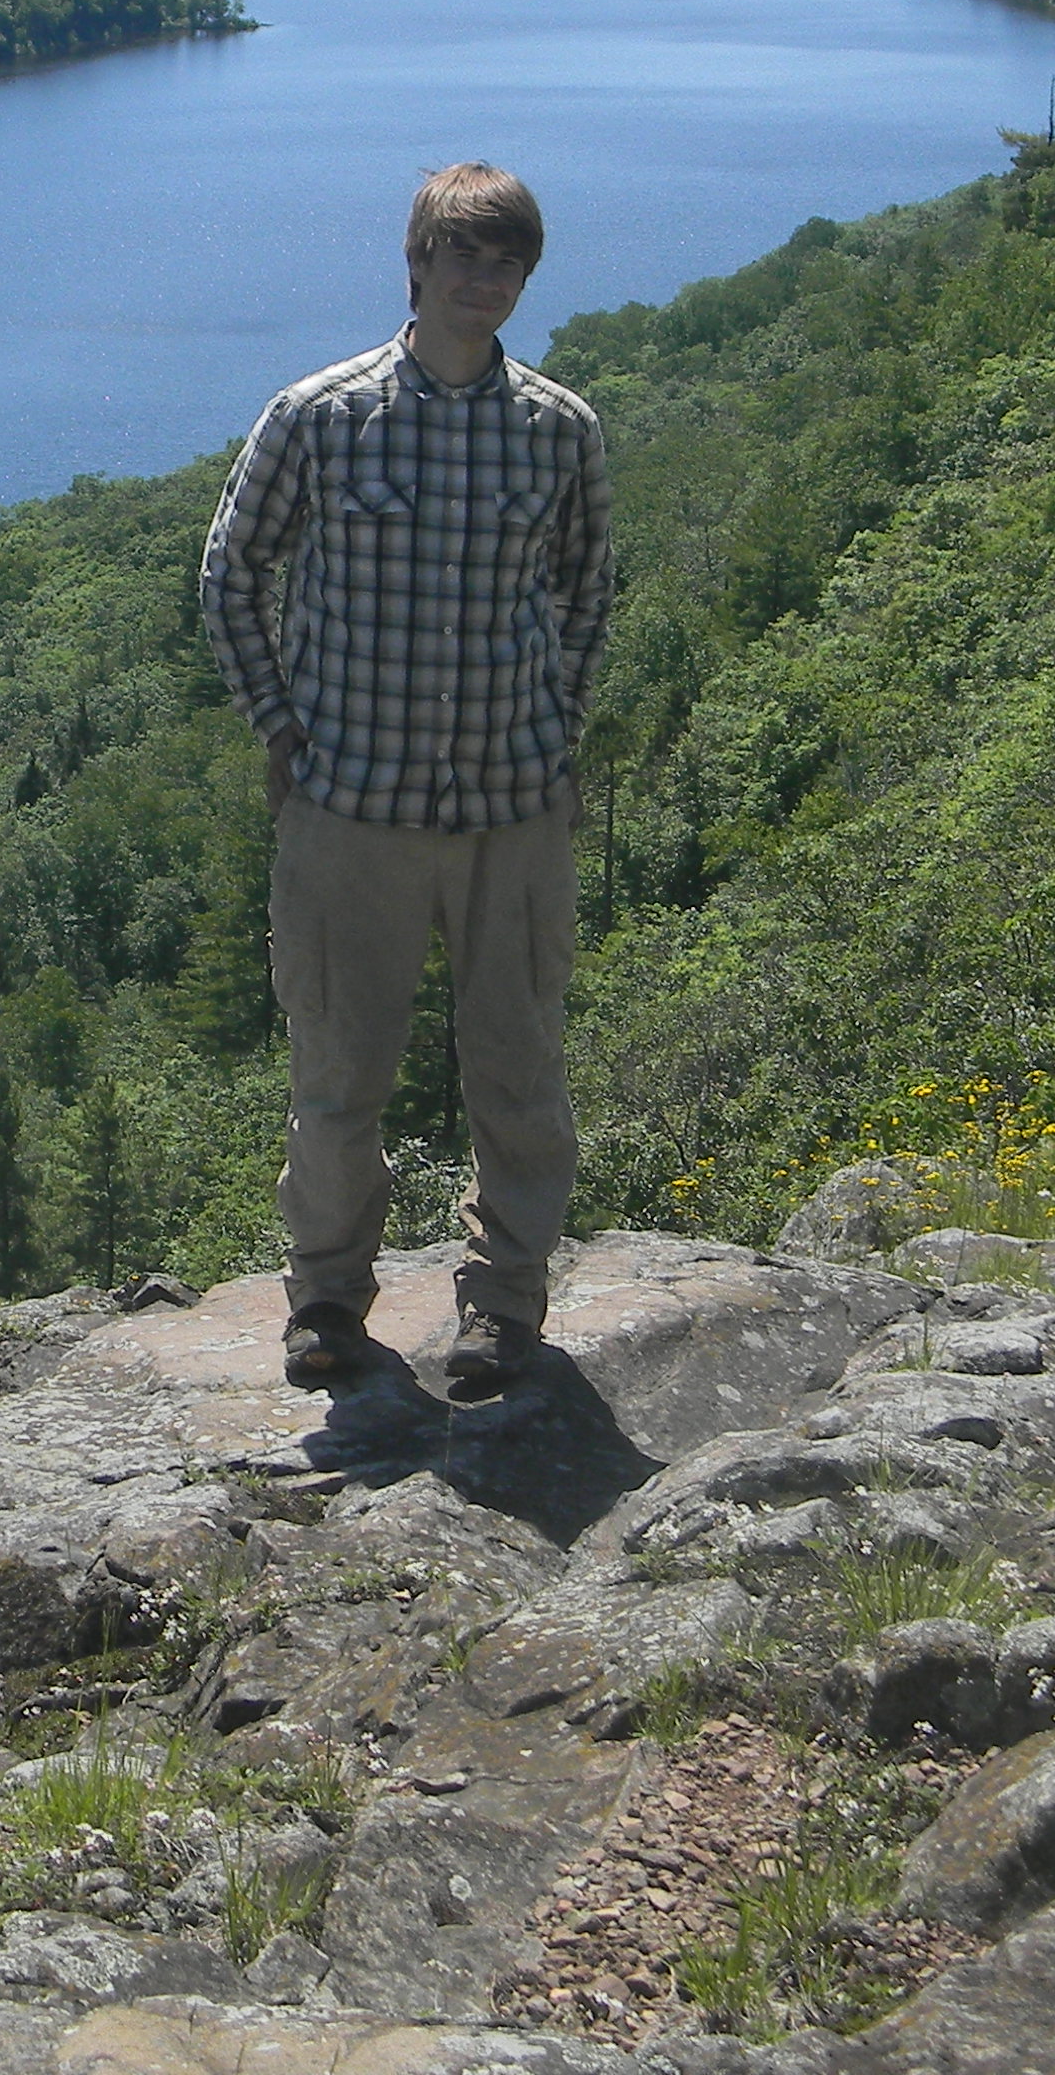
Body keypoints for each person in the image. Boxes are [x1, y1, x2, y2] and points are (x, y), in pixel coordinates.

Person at [197, 162, 611, 1400]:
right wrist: (281, 729)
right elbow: (230, 575)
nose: (485, 281)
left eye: (507, 264)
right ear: (416, 262)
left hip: (512, 809)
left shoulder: (558, 429)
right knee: (338, 1075)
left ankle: (504, 1309)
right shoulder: (322, 415)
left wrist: (558, 719)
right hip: (352, 811)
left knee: (519, 1067)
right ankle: (326, 1301)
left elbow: (587, 593)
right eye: (463, 256)